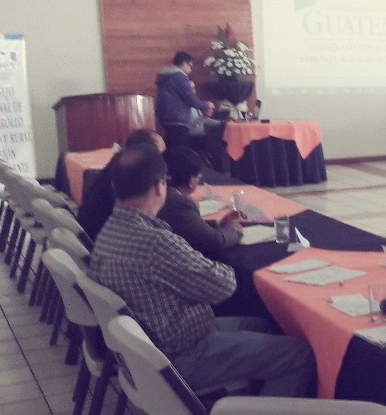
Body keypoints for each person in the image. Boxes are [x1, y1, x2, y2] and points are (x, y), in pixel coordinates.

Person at [88, 145, 314, 397]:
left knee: (260, 325)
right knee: (298, 355)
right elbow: (223, 287)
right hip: (180, 357)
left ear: (115, 186)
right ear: (159, 186)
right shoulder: (155, 243)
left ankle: (244, 400)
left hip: (145, 354)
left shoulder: (108, 231)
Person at [77, 129, 165, 242]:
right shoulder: (132, 178)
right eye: (161, 153)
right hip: (105, 239)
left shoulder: (118, 167)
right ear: (146, 154)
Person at [159, 147, 243, 259]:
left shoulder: (163, 194)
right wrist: (234, 230)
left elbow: (188, 226)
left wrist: (220, 225)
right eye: (199, 177)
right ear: (191, 181)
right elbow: (215, 241)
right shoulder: (178, 202)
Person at [156, 51, 214, 151]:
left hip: (166, 118)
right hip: (178, 119)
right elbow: (191, 99)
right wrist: (207, 104)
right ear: (184, 63)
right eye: (190, 65)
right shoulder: (179, 77)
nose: (191, 69)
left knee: (171, 149)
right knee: (180, 150)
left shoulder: (165, 76)